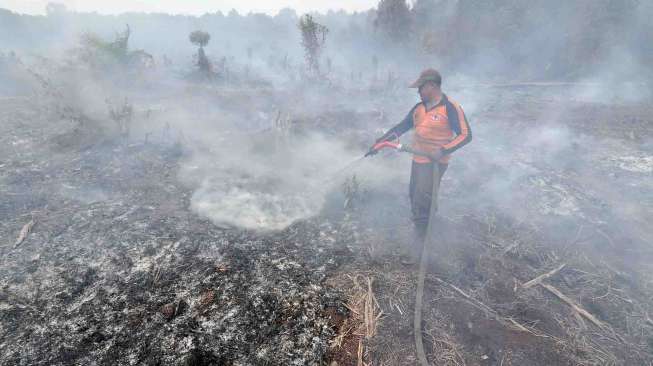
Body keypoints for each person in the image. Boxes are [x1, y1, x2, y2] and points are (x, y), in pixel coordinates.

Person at [367, 68, 472, 254]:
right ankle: (430, 226)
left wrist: (443, 150)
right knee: (415, 194)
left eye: (420, 88)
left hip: (435, 163)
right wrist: (380, 142)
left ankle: (421, 248)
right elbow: (401, 127)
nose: (418, 91)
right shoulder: (418, 108)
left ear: (432, 86)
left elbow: (466, 135)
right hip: (418, 159)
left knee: (421, 200)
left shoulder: (450, 107)